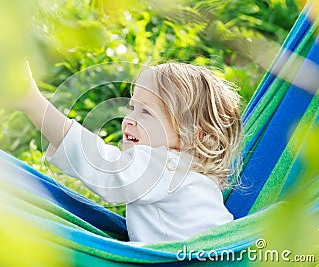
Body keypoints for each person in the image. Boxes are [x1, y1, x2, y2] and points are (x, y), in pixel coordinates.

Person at [17, 61, 241, 243]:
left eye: (146, 113)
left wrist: (34, 103)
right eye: (132, 108)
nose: (130, 120)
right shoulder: (191, 174)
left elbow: (106, 168)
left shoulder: (169, 166)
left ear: (192, 135)